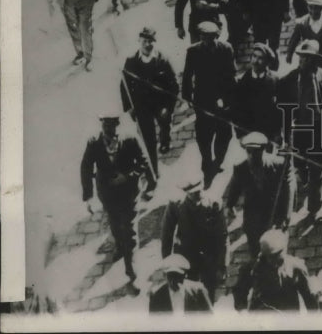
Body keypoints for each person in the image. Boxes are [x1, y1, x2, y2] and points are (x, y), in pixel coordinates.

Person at [80, 111, 151, 286]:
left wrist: (127, 176)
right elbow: (86, 168)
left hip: (129, 194)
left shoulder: (130, 139)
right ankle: (120, 246)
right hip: (107, 195)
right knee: (114, 224)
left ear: (118, 125)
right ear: (102, 125)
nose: (108, 130)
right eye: (105, 125)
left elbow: (144, 162)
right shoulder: (94, 143)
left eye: (112, 126)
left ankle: (131, 267)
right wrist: (88, 197)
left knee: (129, 228)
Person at [277, 39, 322, 217]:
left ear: (314, 60)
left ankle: (314, 207)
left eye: (306, 57)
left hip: (320, 130)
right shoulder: (290, 79)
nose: (302, 60)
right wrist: (286, 136)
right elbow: (284, 110)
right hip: (300, 130)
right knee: (300, 163)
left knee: (316, 171)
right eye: (301, 56)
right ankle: (304, 177)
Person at [181, 21, 236, 186]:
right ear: (200, 37)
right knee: (204, 135)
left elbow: (231, 75)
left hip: (223, 100)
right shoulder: (193, 51)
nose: (208, 41)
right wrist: (187, 97)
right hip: (203, 100)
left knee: (225, 134)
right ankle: (206, 162)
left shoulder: (226, 49)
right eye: (204, 37)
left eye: (211, 38)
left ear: (216, 36)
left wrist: (229, 100)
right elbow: (187, 75)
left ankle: (218, 160)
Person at [120, 27, 178, 181]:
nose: (147, 44)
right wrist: (129, 108)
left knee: (165, 124)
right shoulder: (131, 61)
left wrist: (168, 108)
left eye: (150, 41)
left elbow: (174, 86)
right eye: (144, 41)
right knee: (148, 140)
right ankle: (154, 171)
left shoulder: (163, 60)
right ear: (139, 41)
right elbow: (124, 86)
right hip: (142, 107)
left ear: (154, 42)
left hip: (161, 105)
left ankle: (165, 140)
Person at [161, 175, 228, 302]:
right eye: (192, 193)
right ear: (186, 193)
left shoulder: (214, 204)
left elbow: (222, 237)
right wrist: (167, 265)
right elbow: (166, 236)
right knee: (188, 294)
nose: (197, 195)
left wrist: (222, 265)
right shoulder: (175, 205)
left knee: (208, 295)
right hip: (186, 258)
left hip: (209, 257)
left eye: (199, 191)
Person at [225, 132, 293, 255]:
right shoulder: (240, 168)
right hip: (253, 216)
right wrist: (230, 205)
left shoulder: (278, 164)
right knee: (255, 247)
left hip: (274, 214)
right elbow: (235, 187)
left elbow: (288, 188)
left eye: (255, 152)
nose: (251, 156)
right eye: (248, 151)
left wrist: (285, 217)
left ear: (263, 150)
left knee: (276, 248)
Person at [234, 229, 317, 311]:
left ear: (284, 250)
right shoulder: (254, 268)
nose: (273, 261)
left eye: (276, 256)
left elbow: (309, 298)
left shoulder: (295, 267)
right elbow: (240, 291)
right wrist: (243, 311)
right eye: (270, 257)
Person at [230, 43, 281, 141]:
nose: (255, 61)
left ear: (267, 63)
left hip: (269, 135)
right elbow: (235, 111)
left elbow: (279, 110)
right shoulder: (240, 81)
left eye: (260, 58)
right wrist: (240, 134)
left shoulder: (275, 81)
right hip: (248, 135)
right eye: (254, 56)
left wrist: (277, 133)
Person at [148, 254, 213, 313]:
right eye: (171, 276)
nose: (173, 281)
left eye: (177, 276)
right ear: (165, 276)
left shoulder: (196, 294)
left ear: (184, 276)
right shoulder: (157, 298)